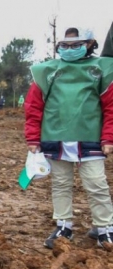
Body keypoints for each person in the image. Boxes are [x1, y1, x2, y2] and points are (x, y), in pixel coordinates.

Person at [25, 26, 113, 249]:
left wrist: (108, 137)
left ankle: (104, 228)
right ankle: (64, 225)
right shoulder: (47, 71)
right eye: (65, 45)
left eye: (76, 45)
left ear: (90, 45)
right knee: (61, 183)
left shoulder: (101, 69)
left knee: (96, 183)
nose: (70, 49)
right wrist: (33, 139)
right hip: (56, 137)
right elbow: (34, 107)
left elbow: (110, 106)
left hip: (90, 137)